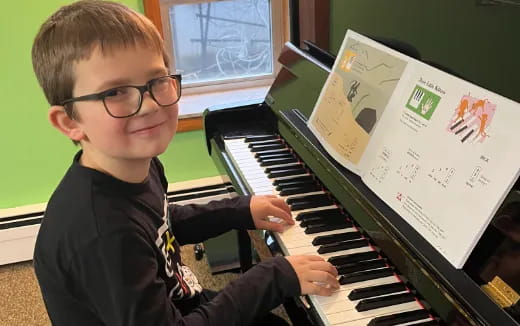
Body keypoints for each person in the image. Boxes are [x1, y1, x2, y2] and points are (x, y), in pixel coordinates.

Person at [31, 1, 340, 325]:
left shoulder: (139, 164)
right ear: (69, 122)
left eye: (157, 80)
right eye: (116, 92)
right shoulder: (101, 235)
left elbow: (161, 222)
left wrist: (238, 210)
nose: (149, 105)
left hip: (176, 301)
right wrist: (272, 276)